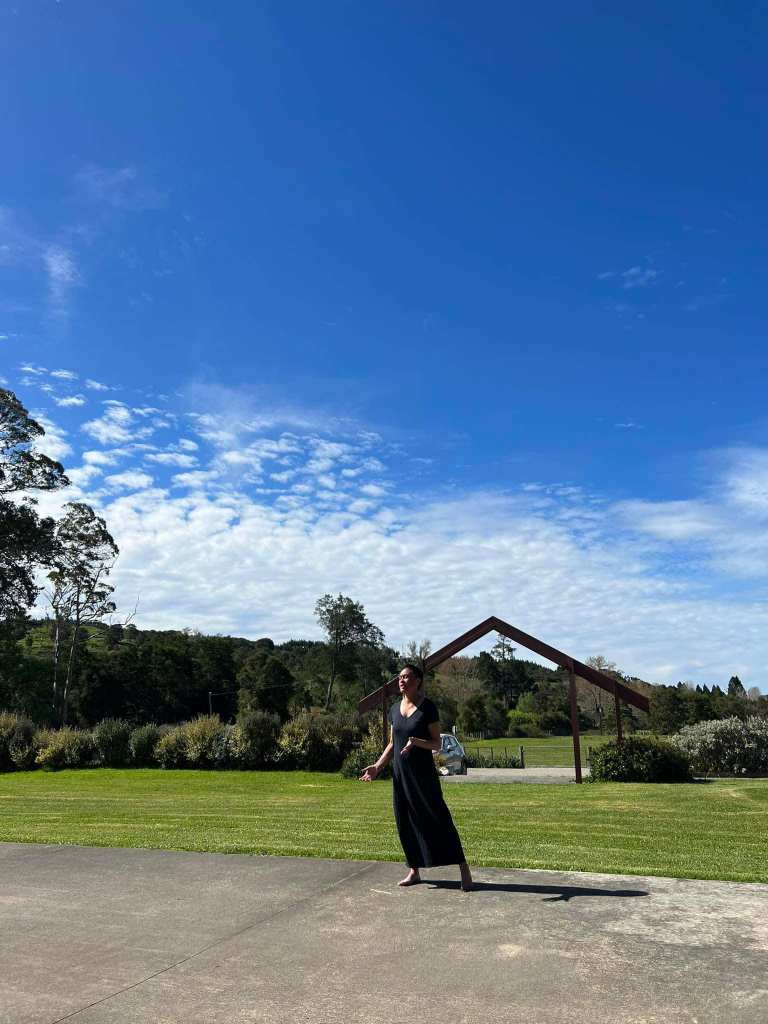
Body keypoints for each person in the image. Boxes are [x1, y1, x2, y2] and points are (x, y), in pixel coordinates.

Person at [360, 663, 473, 892]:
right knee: (405, 821)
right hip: (401, 776)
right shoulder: (394, 709)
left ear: (418, 680)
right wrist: (377, 766)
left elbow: (437, 743)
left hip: (423, 776)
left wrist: (416, 742)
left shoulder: (427, 708)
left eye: (406, 677)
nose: (401, 680)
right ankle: (414, 869)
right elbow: (392, 744)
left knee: (438, 818)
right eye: (400, 677)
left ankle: (463, 867)